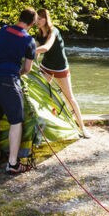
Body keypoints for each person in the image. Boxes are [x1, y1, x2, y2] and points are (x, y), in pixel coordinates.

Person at [0, 7, 38, 175]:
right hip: (8, 80)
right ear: (32, 24)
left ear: (19, 18)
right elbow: (27, 68)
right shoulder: (29, 40)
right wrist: (17, 73)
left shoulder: (4, 29)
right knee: (16, 121)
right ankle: (12, 164)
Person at [34, 8, 87, 137]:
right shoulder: (39, 33)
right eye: (37, 18)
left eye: (41, 18)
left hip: (61, 68)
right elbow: (35, 49)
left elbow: (46, 48)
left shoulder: (54, 31)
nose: (38, 21)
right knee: (42, 95)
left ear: (46, 19)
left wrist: (29, 50)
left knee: (70, 98)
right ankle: (49, 125)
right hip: (46, 67)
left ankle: (83, 128)